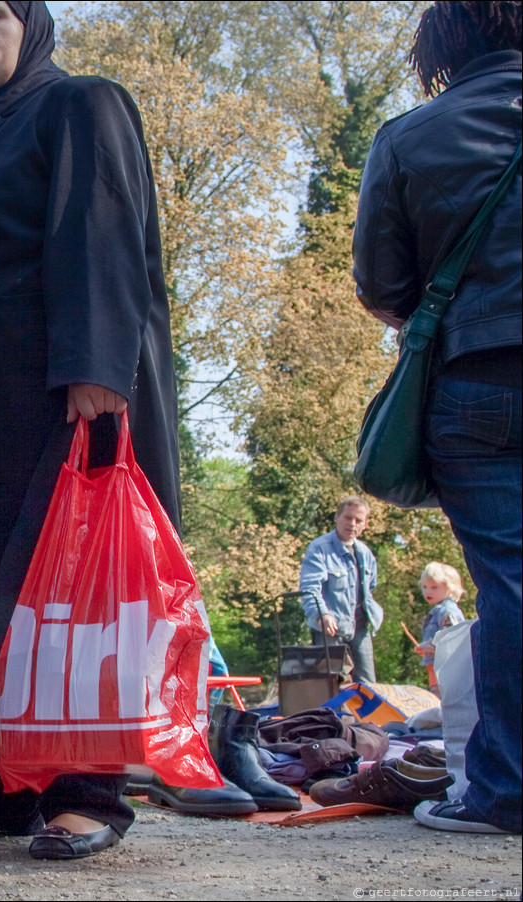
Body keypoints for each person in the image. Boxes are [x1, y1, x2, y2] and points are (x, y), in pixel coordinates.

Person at [0, 0, 183, 860]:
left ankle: (89, 789)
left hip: (65, 395)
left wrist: (98, 375)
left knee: (72, 588)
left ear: (33, 25)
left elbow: (100, 233)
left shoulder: (79, 102)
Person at [352, 0, 521, 835]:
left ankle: (504, 791)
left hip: (476, 380)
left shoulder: (413, 137)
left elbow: (384, 288)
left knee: (510, 583)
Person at [299, 496, 383, 685]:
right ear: (337, 518)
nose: (352, 524)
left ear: (365, 524)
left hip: (360, 628)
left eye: (358, 520)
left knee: (368, 684)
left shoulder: (365, 554)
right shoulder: (320, 549)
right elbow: (309, 588)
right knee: (333, 684)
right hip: (330, 630)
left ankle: (366, 716)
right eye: (347, 518)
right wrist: (323, 614)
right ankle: (336, 716)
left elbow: (370, 588)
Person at [414, 562, 466, 696]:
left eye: (434, 587)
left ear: (450, 588)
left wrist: (431, 647)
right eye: (425, 587)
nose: (427, 591)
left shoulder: (447, 612)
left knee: (444, 704)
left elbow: (454, 642)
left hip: (446, 673)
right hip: (437, 673)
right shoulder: (438, 611)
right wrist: (425, 648)